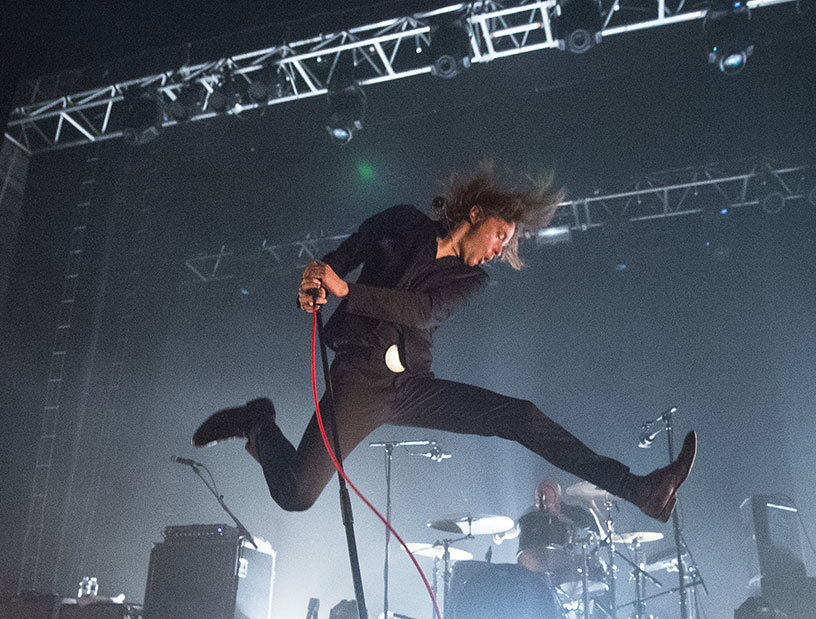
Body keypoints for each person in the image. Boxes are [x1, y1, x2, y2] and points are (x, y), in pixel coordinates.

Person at [193, 163, 695, 522]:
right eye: (501, 235)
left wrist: (352, 292)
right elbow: (334, 262)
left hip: (413, 385)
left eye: (508, 244)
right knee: (297, 494)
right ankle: (260, 426)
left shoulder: (470, 280)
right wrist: (316, 282)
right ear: (475, 214)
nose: (500, 250)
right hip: (360, 381)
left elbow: (423, 312)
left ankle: (641, 489)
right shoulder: (398, 224)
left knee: (518, 416)